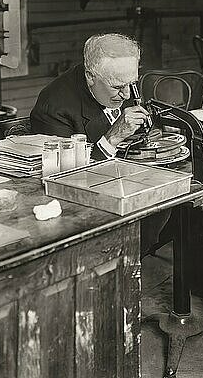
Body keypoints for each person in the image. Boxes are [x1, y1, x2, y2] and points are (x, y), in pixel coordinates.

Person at [30, 32, 169, 255]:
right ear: (90, 76)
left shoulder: (119, 82)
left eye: (131, 84)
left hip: (124, 182)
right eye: (117, 88)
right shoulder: (55, 105)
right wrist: (113, 137)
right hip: (82, 206)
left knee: (170, 205)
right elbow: (64, 180)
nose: (126, 95)